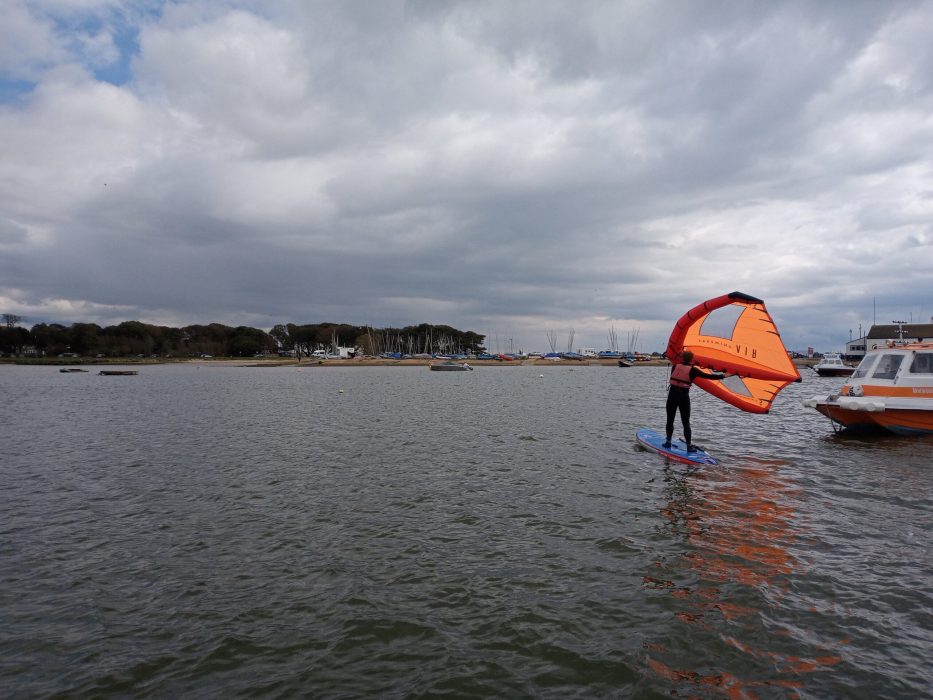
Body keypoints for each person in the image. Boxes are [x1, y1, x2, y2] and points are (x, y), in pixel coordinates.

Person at [665, 350, 729, 452]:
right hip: (683, 396)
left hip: (672, 395)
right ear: (691, 359)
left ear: (682, 358)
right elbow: (709, 376)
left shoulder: (675, 366)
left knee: (670, 419)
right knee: (686, 422)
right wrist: (723, 376)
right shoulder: (693, 370)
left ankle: (668, 442)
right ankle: (688, 446)